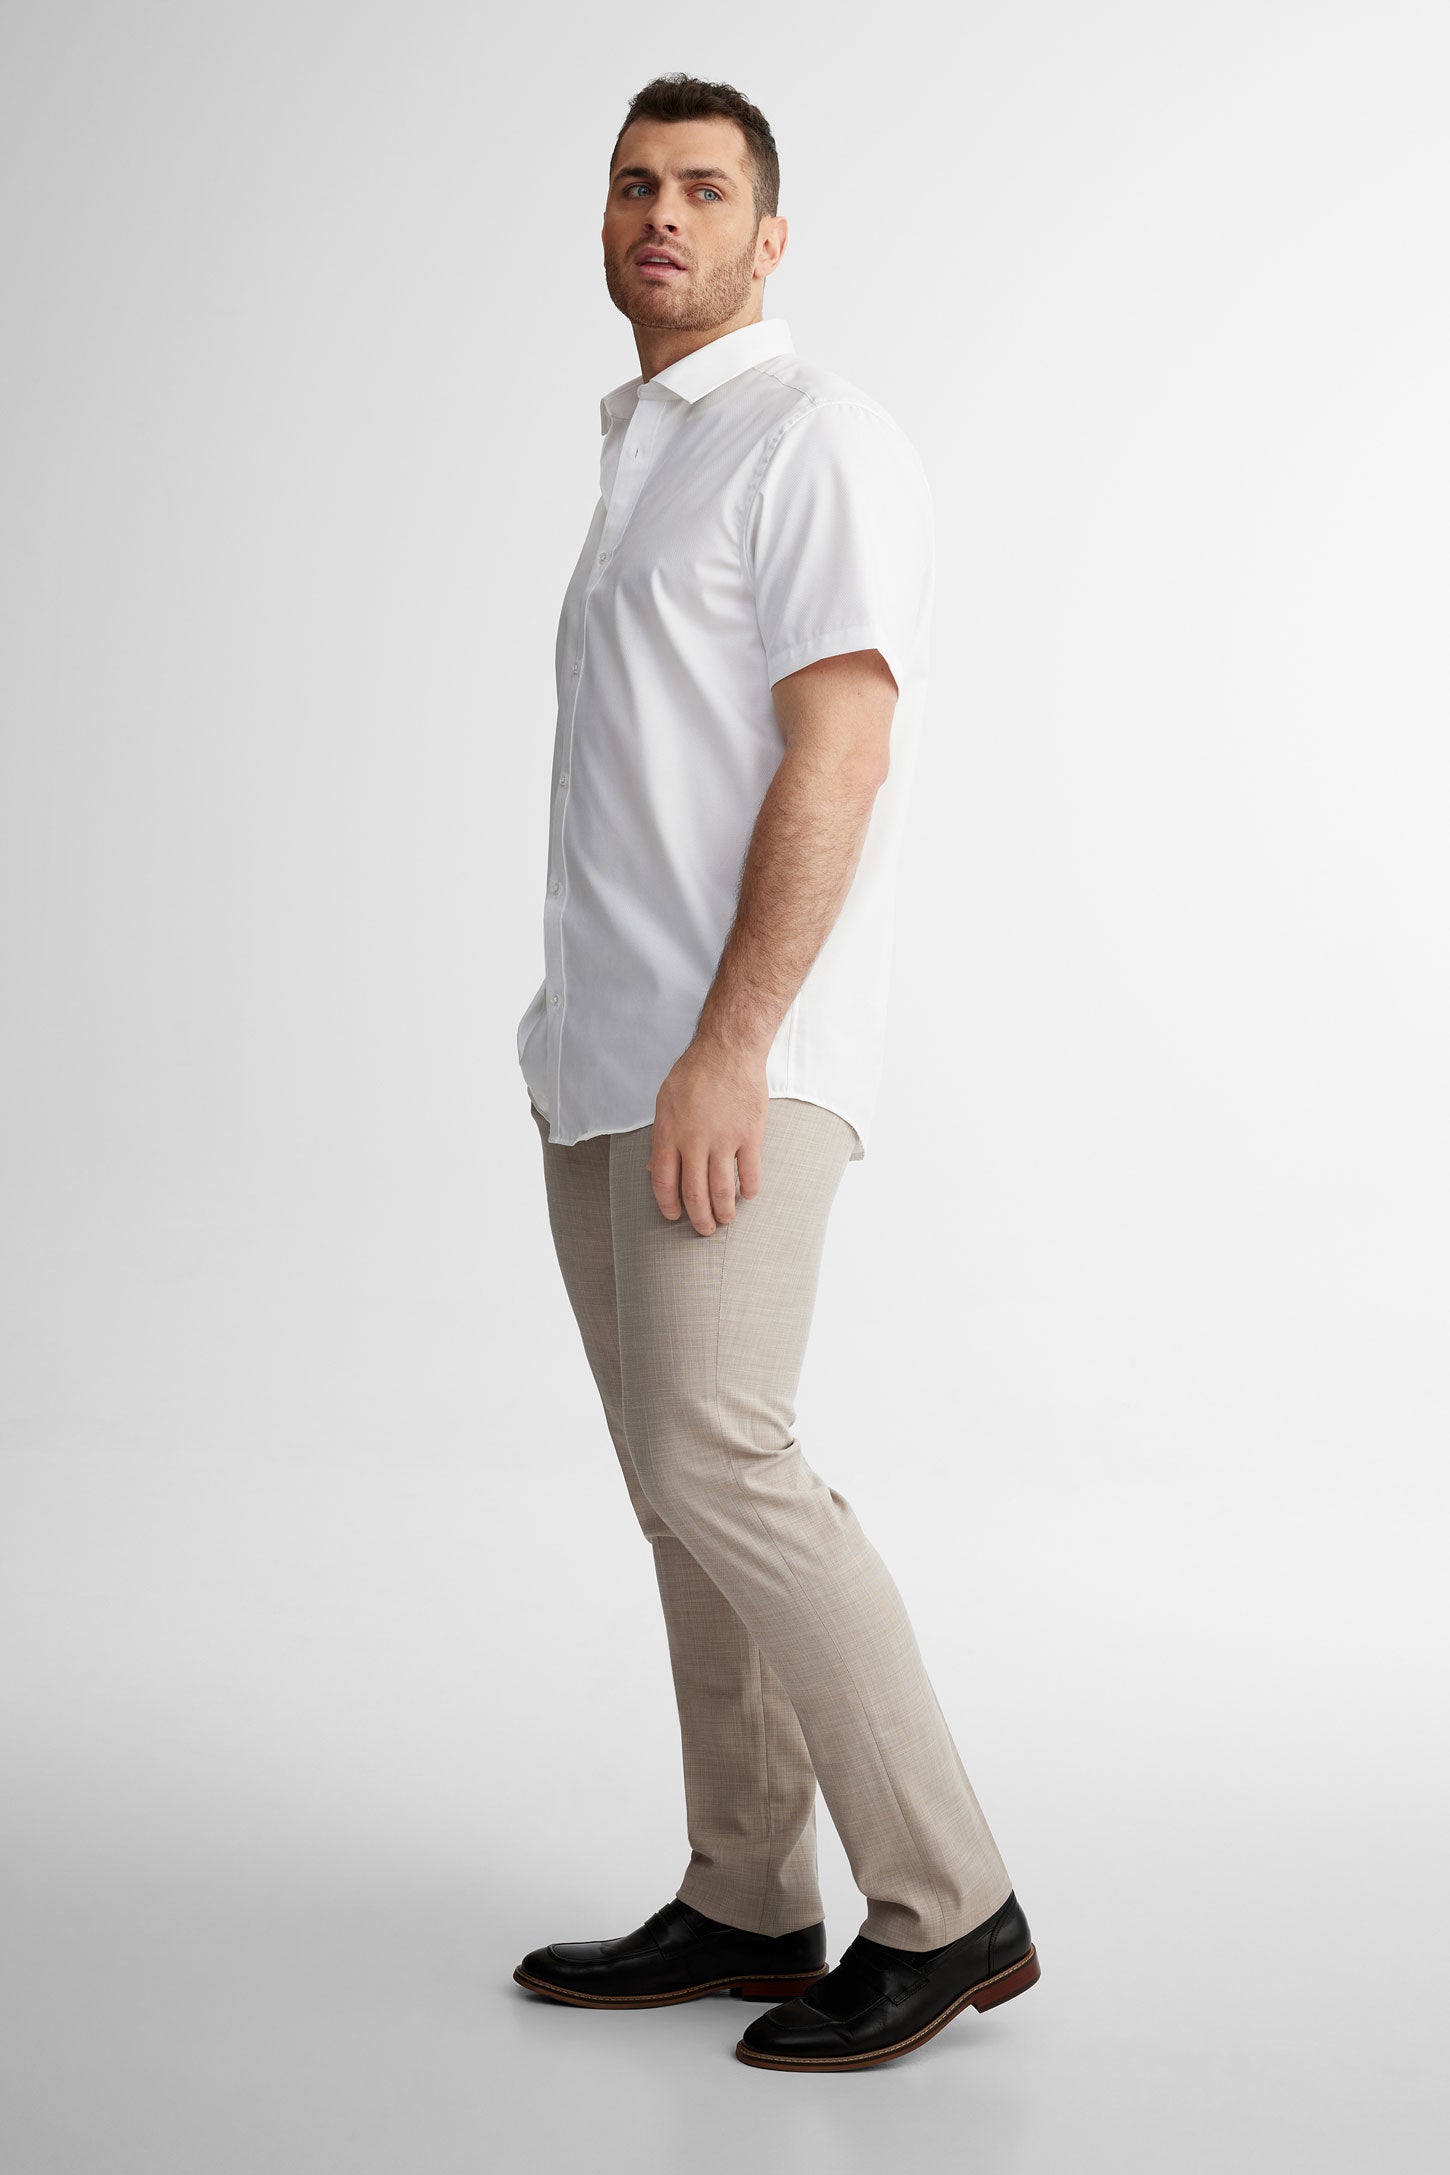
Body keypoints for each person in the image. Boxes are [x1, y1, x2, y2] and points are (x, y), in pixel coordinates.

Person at [510, 71, 1039, 2073]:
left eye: (704, 189)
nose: (661, 214)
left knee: (722, 1455)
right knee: (680, 1492)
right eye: (633, 185)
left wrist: (730, 1047)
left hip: (730, 1056)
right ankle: (745, 1887)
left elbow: (842, 749)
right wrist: (585, 1046)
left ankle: (948, 1897)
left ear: (769, 236)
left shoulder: (813, 437)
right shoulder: (646, 457)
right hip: (599, 1062)